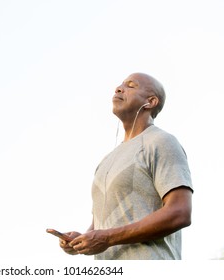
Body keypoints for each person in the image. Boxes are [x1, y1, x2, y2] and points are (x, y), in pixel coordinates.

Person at [59, 72, 193, 259]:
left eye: (131, 85)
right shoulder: (106, 161)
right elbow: (101, 227)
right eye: (120, 84)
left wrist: (107, 238)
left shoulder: (161, 142)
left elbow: (180, 212)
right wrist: (81, 239)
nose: (119, 88)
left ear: (150, 102)